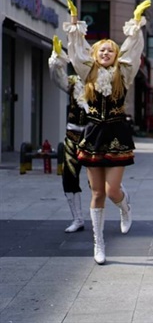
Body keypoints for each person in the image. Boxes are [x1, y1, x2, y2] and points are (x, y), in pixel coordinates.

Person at [62, 0, 151, 264]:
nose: (105, 53)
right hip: (92, 134)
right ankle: (98, 244)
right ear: (95, 54)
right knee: (97, 192)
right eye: (101, 49)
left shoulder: (123, 73)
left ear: (115, 54)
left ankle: (124, 207)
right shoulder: (87, 72)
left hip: (116, 133)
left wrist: (136, 22)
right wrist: (75, 19)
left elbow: (133, 49)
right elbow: (76, 50)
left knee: (112, 191)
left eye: (110, 50)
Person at [48, 35, 87, 233]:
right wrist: (57, 58)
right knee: (69, 177)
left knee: (106, 181)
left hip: (95, 138)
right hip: (73, 137)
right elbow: (57, 76)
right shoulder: (73, 83)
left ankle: (122, 205)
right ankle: (77, 218)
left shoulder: (103, 82)